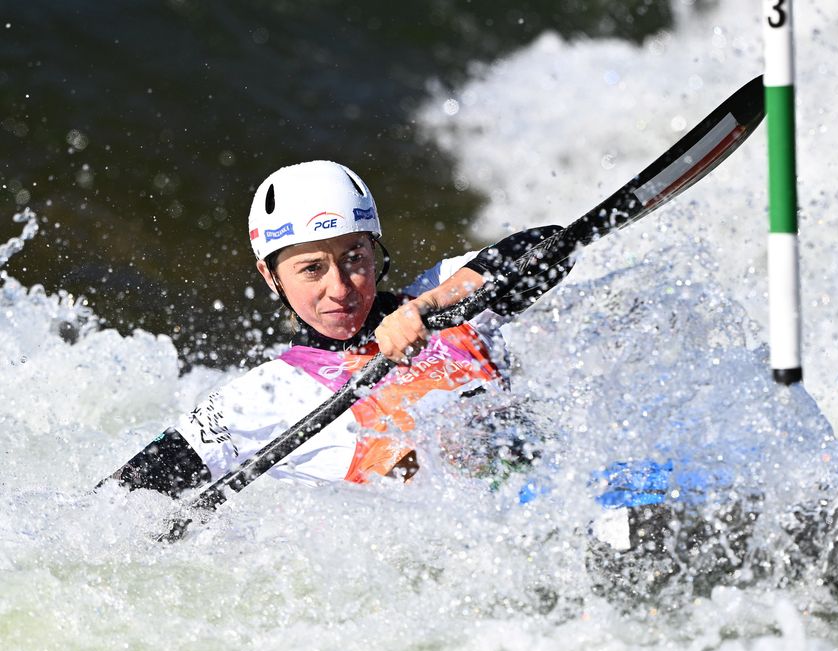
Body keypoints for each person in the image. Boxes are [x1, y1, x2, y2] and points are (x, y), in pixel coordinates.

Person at [106, 160, 572, 495]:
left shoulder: (447, 296)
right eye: (312, 269)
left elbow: (555, 246)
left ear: (375, 250)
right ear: (272, 278)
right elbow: (118, 503)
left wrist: (426, 308)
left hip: (563, 494)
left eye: (355, 259)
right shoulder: (262, 396)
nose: (340, 288)